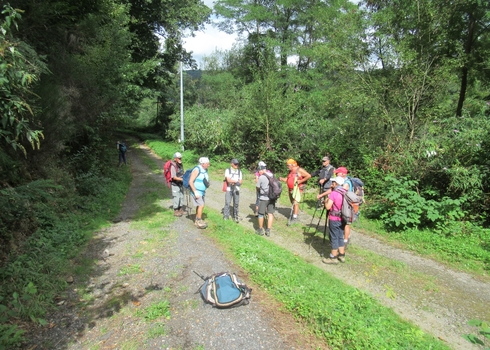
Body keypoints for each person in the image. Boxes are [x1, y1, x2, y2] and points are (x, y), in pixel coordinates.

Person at [322, 176, 347, 264]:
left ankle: (333, 257)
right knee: (340, 236)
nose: (332, 184)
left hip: (334, 218)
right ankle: (342, 255)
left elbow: (328, 207)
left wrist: (325, 202)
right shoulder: (345, 192)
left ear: (336, 184)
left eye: (333, 182)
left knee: (334, 237)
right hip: (343, 218)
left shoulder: (334, 193)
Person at [279, 158, 311, 223]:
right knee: (293, 202)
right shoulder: (290, 171)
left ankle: (295, 217)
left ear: (293, 165)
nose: (287, 167)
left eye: (288, 165)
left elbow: (309, 176)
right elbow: (287, 179)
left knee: (295, 202)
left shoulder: (299, 170)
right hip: (290, 190)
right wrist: (281, 179)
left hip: (297, 189)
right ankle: (294, 214)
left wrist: (301, 181)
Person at [189, 157, 211, 229]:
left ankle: (197, 219)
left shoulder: (205, 170)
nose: (209, 165)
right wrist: (195, 192)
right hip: (196, 191)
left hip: (201, 191)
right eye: (207, 164)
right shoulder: (196, 170)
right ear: (203, 164)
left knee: (199, 205)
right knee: (201, 205)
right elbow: (190, 181)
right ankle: (199, 221)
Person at [255, 165, 276, 237]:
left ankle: (260, 230)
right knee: (270, 213)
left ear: (262, 170)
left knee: (261, 214)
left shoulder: (261, 177)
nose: (258, 172)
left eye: (259, 171)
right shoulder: (272, 175)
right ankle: (268, 230)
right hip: (272, 198)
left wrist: (259, 191)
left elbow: (257, 187)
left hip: (264, 198)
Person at [335, 166, 352, 247]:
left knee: (346, 223)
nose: (336, 173)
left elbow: (341, 192)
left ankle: (345, 241)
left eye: (337, 172)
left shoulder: (347, 183)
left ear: (342, 173)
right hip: (345, 205)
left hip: (348, 206)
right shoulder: (345, 180)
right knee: (344, 222)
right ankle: (346, 237)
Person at [170, 152, 185, 217]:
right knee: (176, 196)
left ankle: (180, 208)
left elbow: (182, 173)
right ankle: (176, 210)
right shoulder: (173, 166)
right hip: (175, 184)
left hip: (181, 183)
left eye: (180, 158)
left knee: (181, 195)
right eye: (178, 158)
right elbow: (173, 177)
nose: (180, 159)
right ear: (175, 158)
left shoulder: (180, 165)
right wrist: (182, 179)